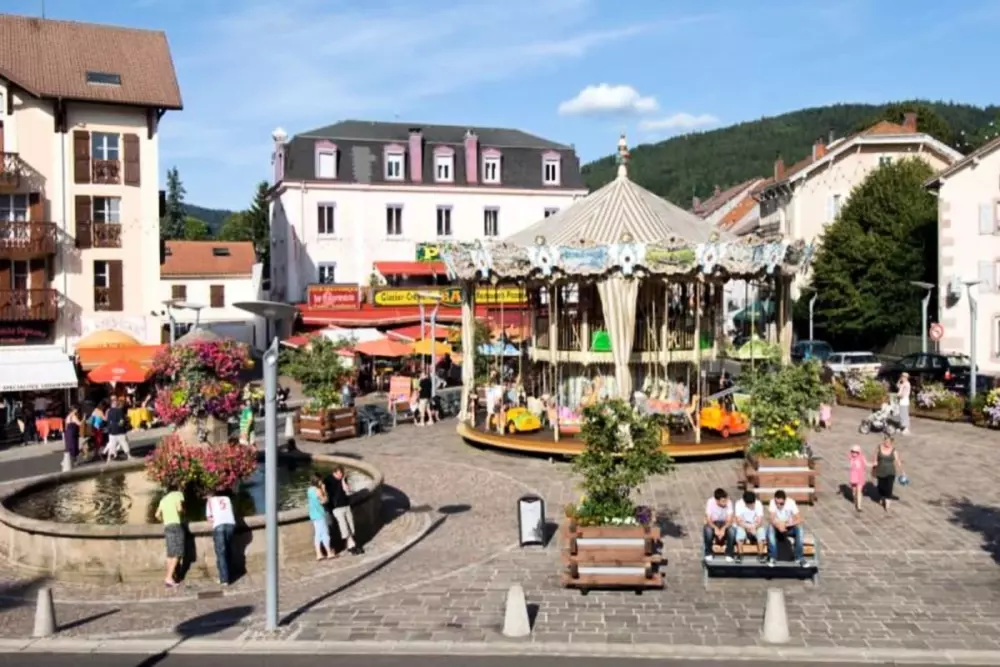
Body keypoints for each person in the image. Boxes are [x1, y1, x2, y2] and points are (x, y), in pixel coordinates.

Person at [326, 466, 363, 555]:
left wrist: (343, 480)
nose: (341, 475)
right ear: (334, 472)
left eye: (342, 473)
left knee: (350, 524)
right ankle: (352, 545)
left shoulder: (342, 479)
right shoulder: (328, 481)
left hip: (345, 505)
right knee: (344, 526)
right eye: (339, 474)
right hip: (337, 507)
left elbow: (346, 490)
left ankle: (349, 544)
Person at [154, 483, 186, 588]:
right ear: (176, 489)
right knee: (178, 553)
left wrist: (164, 520)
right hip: (176, 525)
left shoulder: (163, 500)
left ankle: (170, 577)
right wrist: (183, 512)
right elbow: (179, 508)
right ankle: (168, 577)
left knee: (170, 553)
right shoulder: (177, 494)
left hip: (167, 526)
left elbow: (157, 515)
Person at [767, 490, 807, 567]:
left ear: (785, 500)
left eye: (781, 503)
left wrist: (787, 524)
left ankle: (799, 557)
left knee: (800, 529)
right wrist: (779, 526)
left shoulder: (791, 503)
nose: (779, 505)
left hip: (788, 527)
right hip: (777, 527)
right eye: (777, 503)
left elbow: (799, 519)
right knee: (770, 529)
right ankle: (773, 557)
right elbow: (772, 518)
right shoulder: (772, 502)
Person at [205, 489, 236, 585]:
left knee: (221, 553)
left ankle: (224, 580)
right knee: (228, 550)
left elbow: (209, 517)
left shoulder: (210, 501)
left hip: (219, 525)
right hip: (231, 524)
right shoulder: (227, 498)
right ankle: (230, 574)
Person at [733, 490, 767, 563]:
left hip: (755, 525)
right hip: (743, 525)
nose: (752, 505)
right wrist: (748, 527)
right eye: (750, 504)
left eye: (753, 503)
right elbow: (739, 521)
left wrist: (754, 527)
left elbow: (760, 520)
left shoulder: (758, 504)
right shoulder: (739, 504)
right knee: (740, 533)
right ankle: (740, 554)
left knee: (761, 532)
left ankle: (761, 555)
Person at [702, 488, 735, 562]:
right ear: (717, 500)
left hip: (724, 523)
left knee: (732, 531)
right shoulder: (710, 502)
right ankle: (708, 552)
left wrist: (723, 529)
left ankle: (729, 553)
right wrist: (716, 528)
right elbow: (708, 519)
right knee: (708, 531)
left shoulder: (728, 502)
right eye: (723, 501)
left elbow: (729, 520)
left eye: (726, 500)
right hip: (713, 523)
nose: (725, 502)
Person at [873, 436, 904, 512]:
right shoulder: (879, 448)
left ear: (891, 442)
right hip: (880, 470)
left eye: (889, 442)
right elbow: (875, 458)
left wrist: (902, 471)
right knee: (881, 487)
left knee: (889, 487)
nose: (887, 443)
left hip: (890, 472)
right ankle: (882, 496)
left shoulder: (894, 450)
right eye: (886, 441)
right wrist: (874, 466)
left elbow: (898, 461)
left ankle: (887, 503)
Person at [307, 473, 334, 560]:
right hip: (320, 514)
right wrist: (324, 490)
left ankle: (319, 553)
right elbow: (324, 501)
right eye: (321, 480)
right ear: (318, 481)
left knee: (318, 534)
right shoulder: (318, 490)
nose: (322, 482)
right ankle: (329, 552)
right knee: (325, 533)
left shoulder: (309, 490)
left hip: (313, 515)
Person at [104, 397, 131, 462]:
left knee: (112, 444)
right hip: (119, 430)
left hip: (112, 431)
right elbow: (121, 421)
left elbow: (108, 420)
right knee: (124, 443)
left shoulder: (109, 411)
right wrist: (121, 426)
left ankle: (109, 458)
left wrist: (109, 428)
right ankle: (129, 456)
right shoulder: (119, 410)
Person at [848, 444, 870, 512]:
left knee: (859, 491)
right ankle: (855, 499)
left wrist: (873, 464)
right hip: (853, 476)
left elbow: (866, 463)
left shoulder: (861, 457)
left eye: (856, 452)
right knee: (854, 491)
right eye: (853, 451)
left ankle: (859, 506)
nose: (854, 453)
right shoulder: (850, 456)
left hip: (860, 476)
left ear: (859, 452)